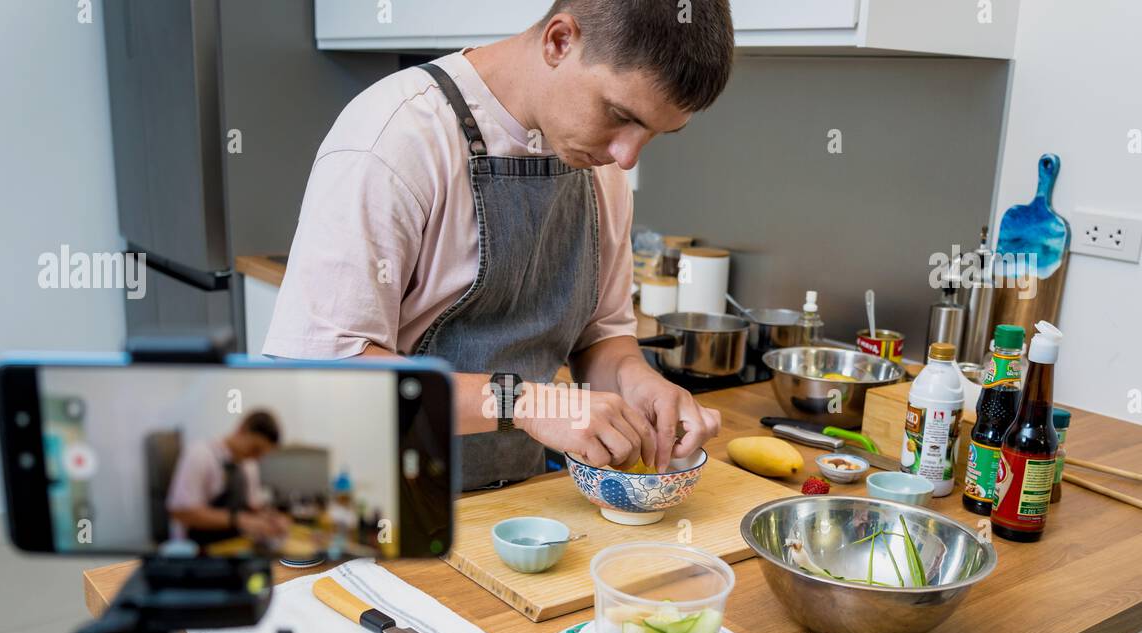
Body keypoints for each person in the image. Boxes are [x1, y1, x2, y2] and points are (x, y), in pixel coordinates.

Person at [264, 0, 735, 489]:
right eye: (619, 115)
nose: (627, 156)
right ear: (560, 40)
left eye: (658, 133)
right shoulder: (396, 138)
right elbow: (323, 377)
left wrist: (637, 381)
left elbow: (600, 336)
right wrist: (528, 403)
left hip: (514, 508)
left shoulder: (601, 166)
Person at [166, 410, 291, 548]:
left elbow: (253, 505)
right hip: (196, 550)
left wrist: (271, 518)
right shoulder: (200, 455)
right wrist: (239, 520)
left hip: (232, 546)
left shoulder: (249, 464)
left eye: (262, 454)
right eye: (255, 449)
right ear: (241, 429)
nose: (257, 457)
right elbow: (180, 512)